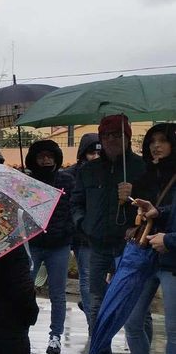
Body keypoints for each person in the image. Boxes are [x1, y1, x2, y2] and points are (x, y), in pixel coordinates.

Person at [71, 114, 145, 354]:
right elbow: (76, 202)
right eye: (107, 136)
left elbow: (153, 208)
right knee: (96, 306)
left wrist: (132, 198)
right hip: (97, 247)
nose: (112, 140)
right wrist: (83, 224)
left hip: (131, 248)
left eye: (118, 135)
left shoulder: (141, 168)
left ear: (128, 137)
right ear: (101, 139)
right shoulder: (89, 170)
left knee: (136, 310)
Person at [117, 123, 176, 354]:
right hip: (144, 253)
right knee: (132, 318)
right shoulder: (144, 174)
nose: (156, 145)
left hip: (171, 255)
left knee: (174, 327)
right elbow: (137, 215)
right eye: (152, 141)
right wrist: (127, 201)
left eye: (163, 140)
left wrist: (168, 235)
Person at [24, 140, 74, 354]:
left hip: (59, 245)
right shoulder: (27, 181)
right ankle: (21, 330)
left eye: (49, 156)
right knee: (24, 289)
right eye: (41, 156)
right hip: (33, 244)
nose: (45, 160)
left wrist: (67, 231)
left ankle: (55, 337)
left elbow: (74, 208)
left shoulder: (67, 181)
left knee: (57, 293)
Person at [66, 134, 102, 326]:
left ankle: (90, 307)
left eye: (99, 152)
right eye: (91, 152)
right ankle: (92, 322)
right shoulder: (72, 175)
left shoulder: (109, 172)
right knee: (87, 279)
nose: (95, 156)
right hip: (83, 237)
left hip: (107, 237)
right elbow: (72, 206)